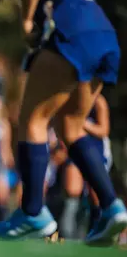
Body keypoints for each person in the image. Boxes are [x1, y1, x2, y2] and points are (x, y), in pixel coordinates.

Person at [0, 0, 127, 244]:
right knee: (70, 126)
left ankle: (33, 213)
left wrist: (26, 20)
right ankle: (111, 206)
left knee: (32, 120)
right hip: (104, 38)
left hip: (73, 36)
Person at [60, 94, 114, 238]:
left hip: (97, 150)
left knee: (94, 193)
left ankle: (98, 230)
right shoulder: (70, 98)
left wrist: (82, 123)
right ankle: (67, 235)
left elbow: (104, 130)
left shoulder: (99, 102)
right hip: (75, 150)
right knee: (72, 189)